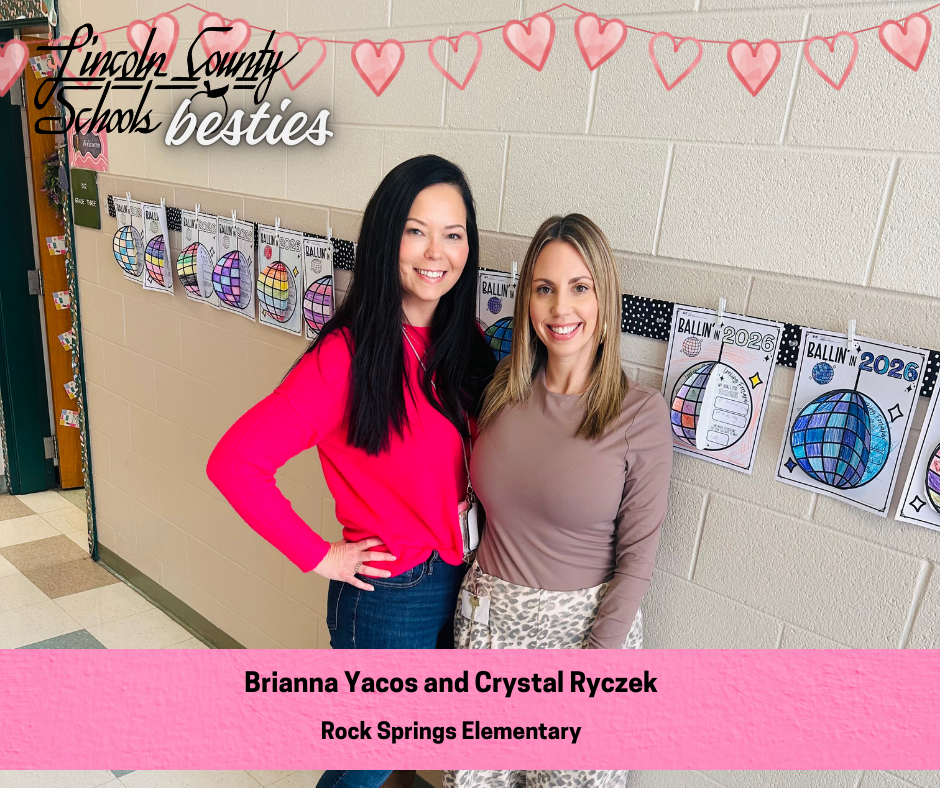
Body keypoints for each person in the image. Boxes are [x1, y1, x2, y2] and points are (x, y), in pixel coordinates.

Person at [207, 155, 496, 788]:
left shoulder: (466, 343)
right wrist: (320, 556)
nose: (437, 252)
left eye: (453, 234)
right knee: (365, 765)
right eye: (416, 231)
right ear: (385, 236)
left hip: (463, 575)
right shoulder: (345, 356)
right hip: (392, 594)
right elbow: (235, 463)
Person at [444, 214, 673, 788]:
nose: (560, 308)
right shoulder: (502, 389)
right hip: (488, 632)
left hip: (583, 643)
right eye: (544, 288)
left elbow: (637, 563)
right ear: (527, 300)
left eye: (579, 288)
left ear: (605, 300)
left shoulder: (639, 413)